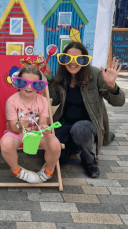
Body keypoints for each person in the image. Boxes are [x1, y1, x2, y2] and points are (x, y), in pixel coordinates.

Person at [43, 42, 125, 178]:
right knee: (53, 156)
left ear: (85, 59)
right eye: (68, 58)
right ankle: (75, 145)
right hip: (65, 122)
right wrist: (50, 78)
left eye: (79, 59)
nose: (73, 63)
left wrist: (112, 86)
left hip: (87, 124)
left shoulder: (95, 74)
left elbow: (118, 102)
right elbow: (55, 100)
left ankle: (90, 161)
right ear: (63, 60)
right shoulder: (63, 75)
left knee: (79, 129)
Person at [0, 67, 61, 183]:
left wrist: (44, 128)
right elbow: (13, 128)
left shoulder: (43, 101)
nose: (28, 87)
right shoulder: (12, 101)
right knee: (6, 144)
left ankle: (48, 171)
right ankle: (17, 171)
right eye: (24, 83)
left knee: (55, 144)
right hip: (17, 134)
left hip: (36, 134)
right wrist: (19, 124)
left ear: (39, 86)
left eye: (35, 84)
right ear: (18, 83)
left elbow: (43, 123)